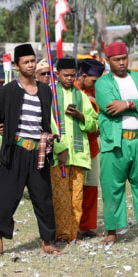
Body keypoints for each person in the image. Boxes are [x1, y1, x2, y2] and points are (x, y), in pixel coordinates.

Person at [0, 44, 62, 256]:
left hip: (38, 152)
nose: (30, 65)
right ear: (16, 65)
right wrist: (3, 129)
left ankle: (47, 242)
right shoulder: (7, 92)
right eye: (26, 62)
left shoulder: (45, 91)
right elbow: (0, 119)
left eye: (32, 61)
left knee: (43, 198)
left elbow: (47, 120)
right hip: (15, 151)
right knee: (6, 198)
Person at [95, 41, 138, 245]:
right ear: (108, 61)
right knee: (112, 187)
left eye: (124, 58)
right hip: (115, 142)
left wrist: (128, 104)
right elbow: (110, 107)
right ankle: (112, 232)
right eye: (116, 60)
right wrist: (137, 105)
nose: (122, 63)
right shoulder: (103, 83)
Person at [50, 58, 98, 245]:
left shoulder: (81, 97)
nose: (69, 79)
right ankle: (61, 235)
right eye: (65, 75)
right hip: (57, 156)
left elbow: (94, 124)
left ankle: (73, 233)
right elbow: (48, 123)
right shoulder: (51, 95)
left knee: (76, 198)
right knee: (60, 197)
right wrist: (60, 148)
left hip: (78, 155)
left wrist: (80, 116)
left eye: (72, 75)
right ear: (58, 74)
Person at [75, 58, 106, 239]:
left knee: (91, 186)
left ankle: (87, 226)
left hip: (93, 147)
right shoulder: (72, 92)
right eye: (94, 81)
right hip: (76, 146)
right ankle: (74, 224)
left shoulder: (96, 92)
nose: (96, 84)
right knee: (76, 187)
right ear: (83, 75)